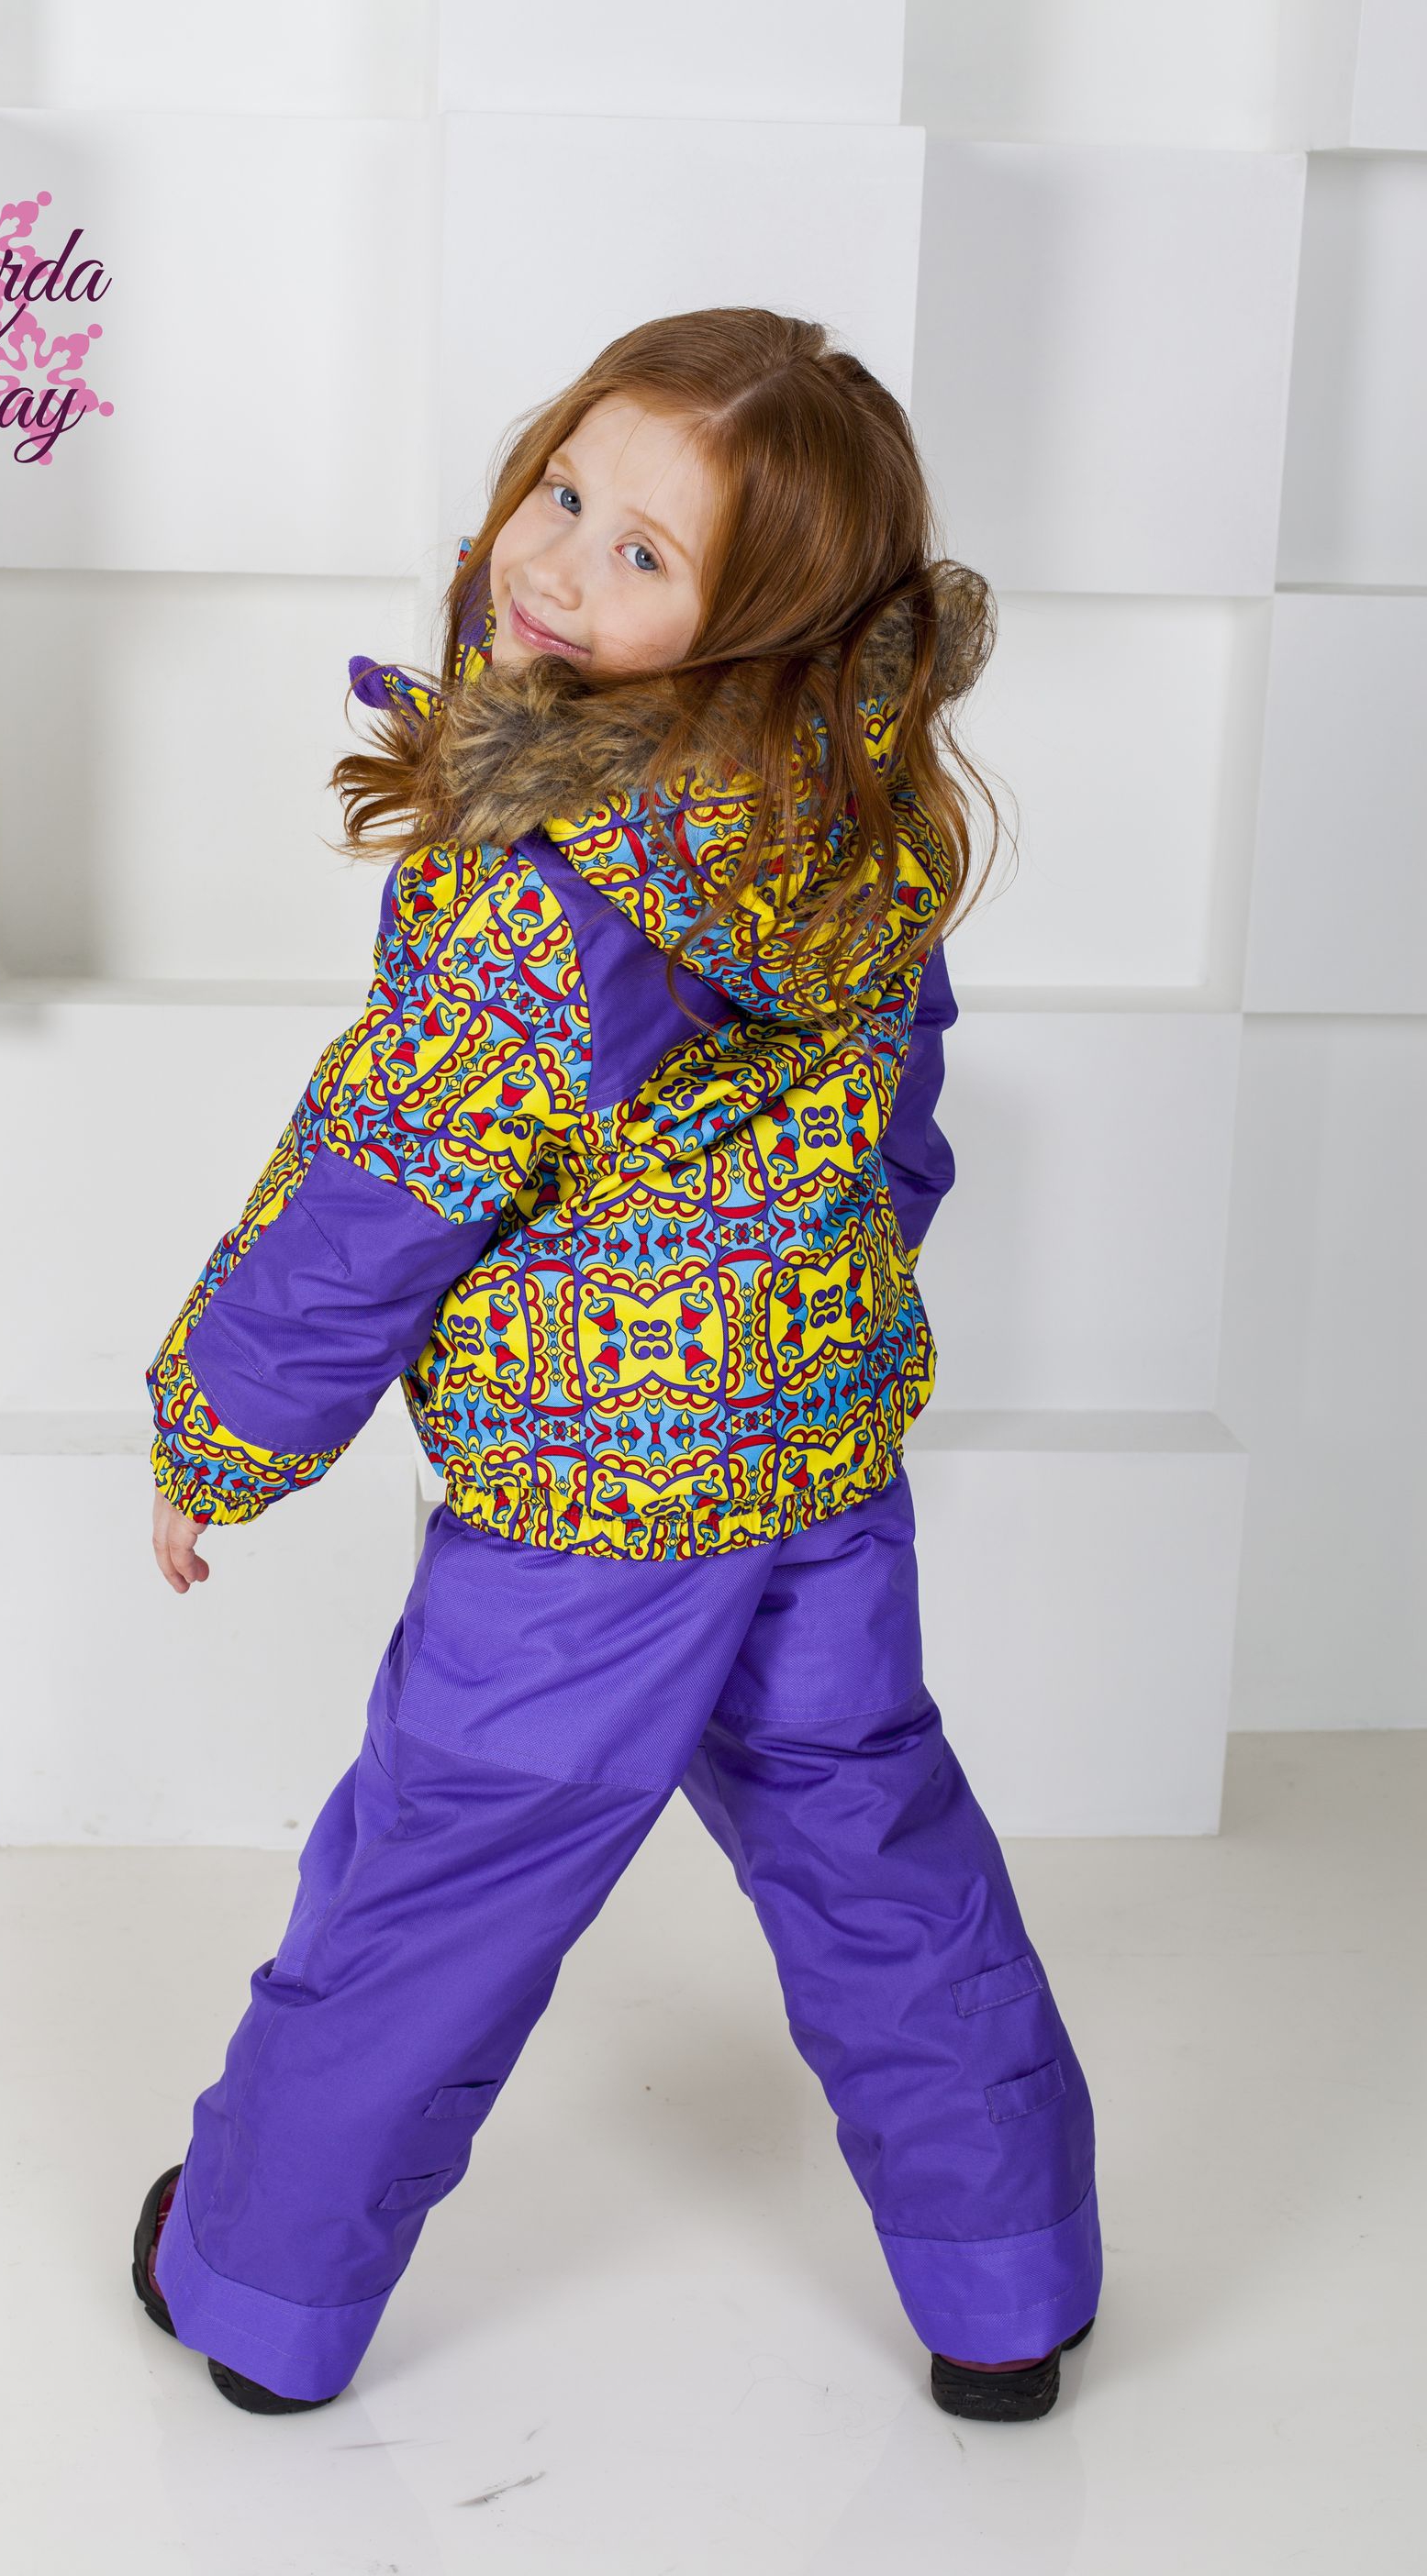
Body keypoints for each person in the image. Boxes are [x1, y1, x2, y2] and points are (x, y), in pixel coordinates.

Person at [128, 308, 1101, 2426]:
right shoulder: (852, 797)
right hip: (815, 1459)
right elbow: (901, 1112)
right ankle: (1006, 2285)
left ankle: (261, 2287)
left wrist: (224, 1434)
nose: (558, 563)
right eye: (564, 489)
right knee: (871, 1835)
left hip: (597, 1496)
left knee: (447, 1869)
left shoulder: (576, 885)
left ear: (757, 620)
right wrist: (817, 1299)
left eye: (645, 553)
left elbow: (391, 1180)